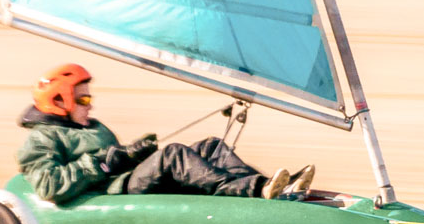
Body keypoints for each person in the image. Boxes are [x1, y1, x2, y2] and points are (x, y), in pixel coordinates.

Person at [17, 62, 315, 205]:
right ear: (59, 102)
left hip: (122, 178)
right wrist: (105, 162)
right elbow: (48, 185)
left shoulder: (89, 126)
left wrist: (134, 152)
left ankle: (271, 187)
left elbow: (115, 157)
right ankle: (255, 190)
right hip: (110, 193)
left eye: (88, 98)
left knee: (211, 146)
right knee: (173, 156)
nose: (90, 103)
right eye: (82, 99)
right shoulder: (41, 139)